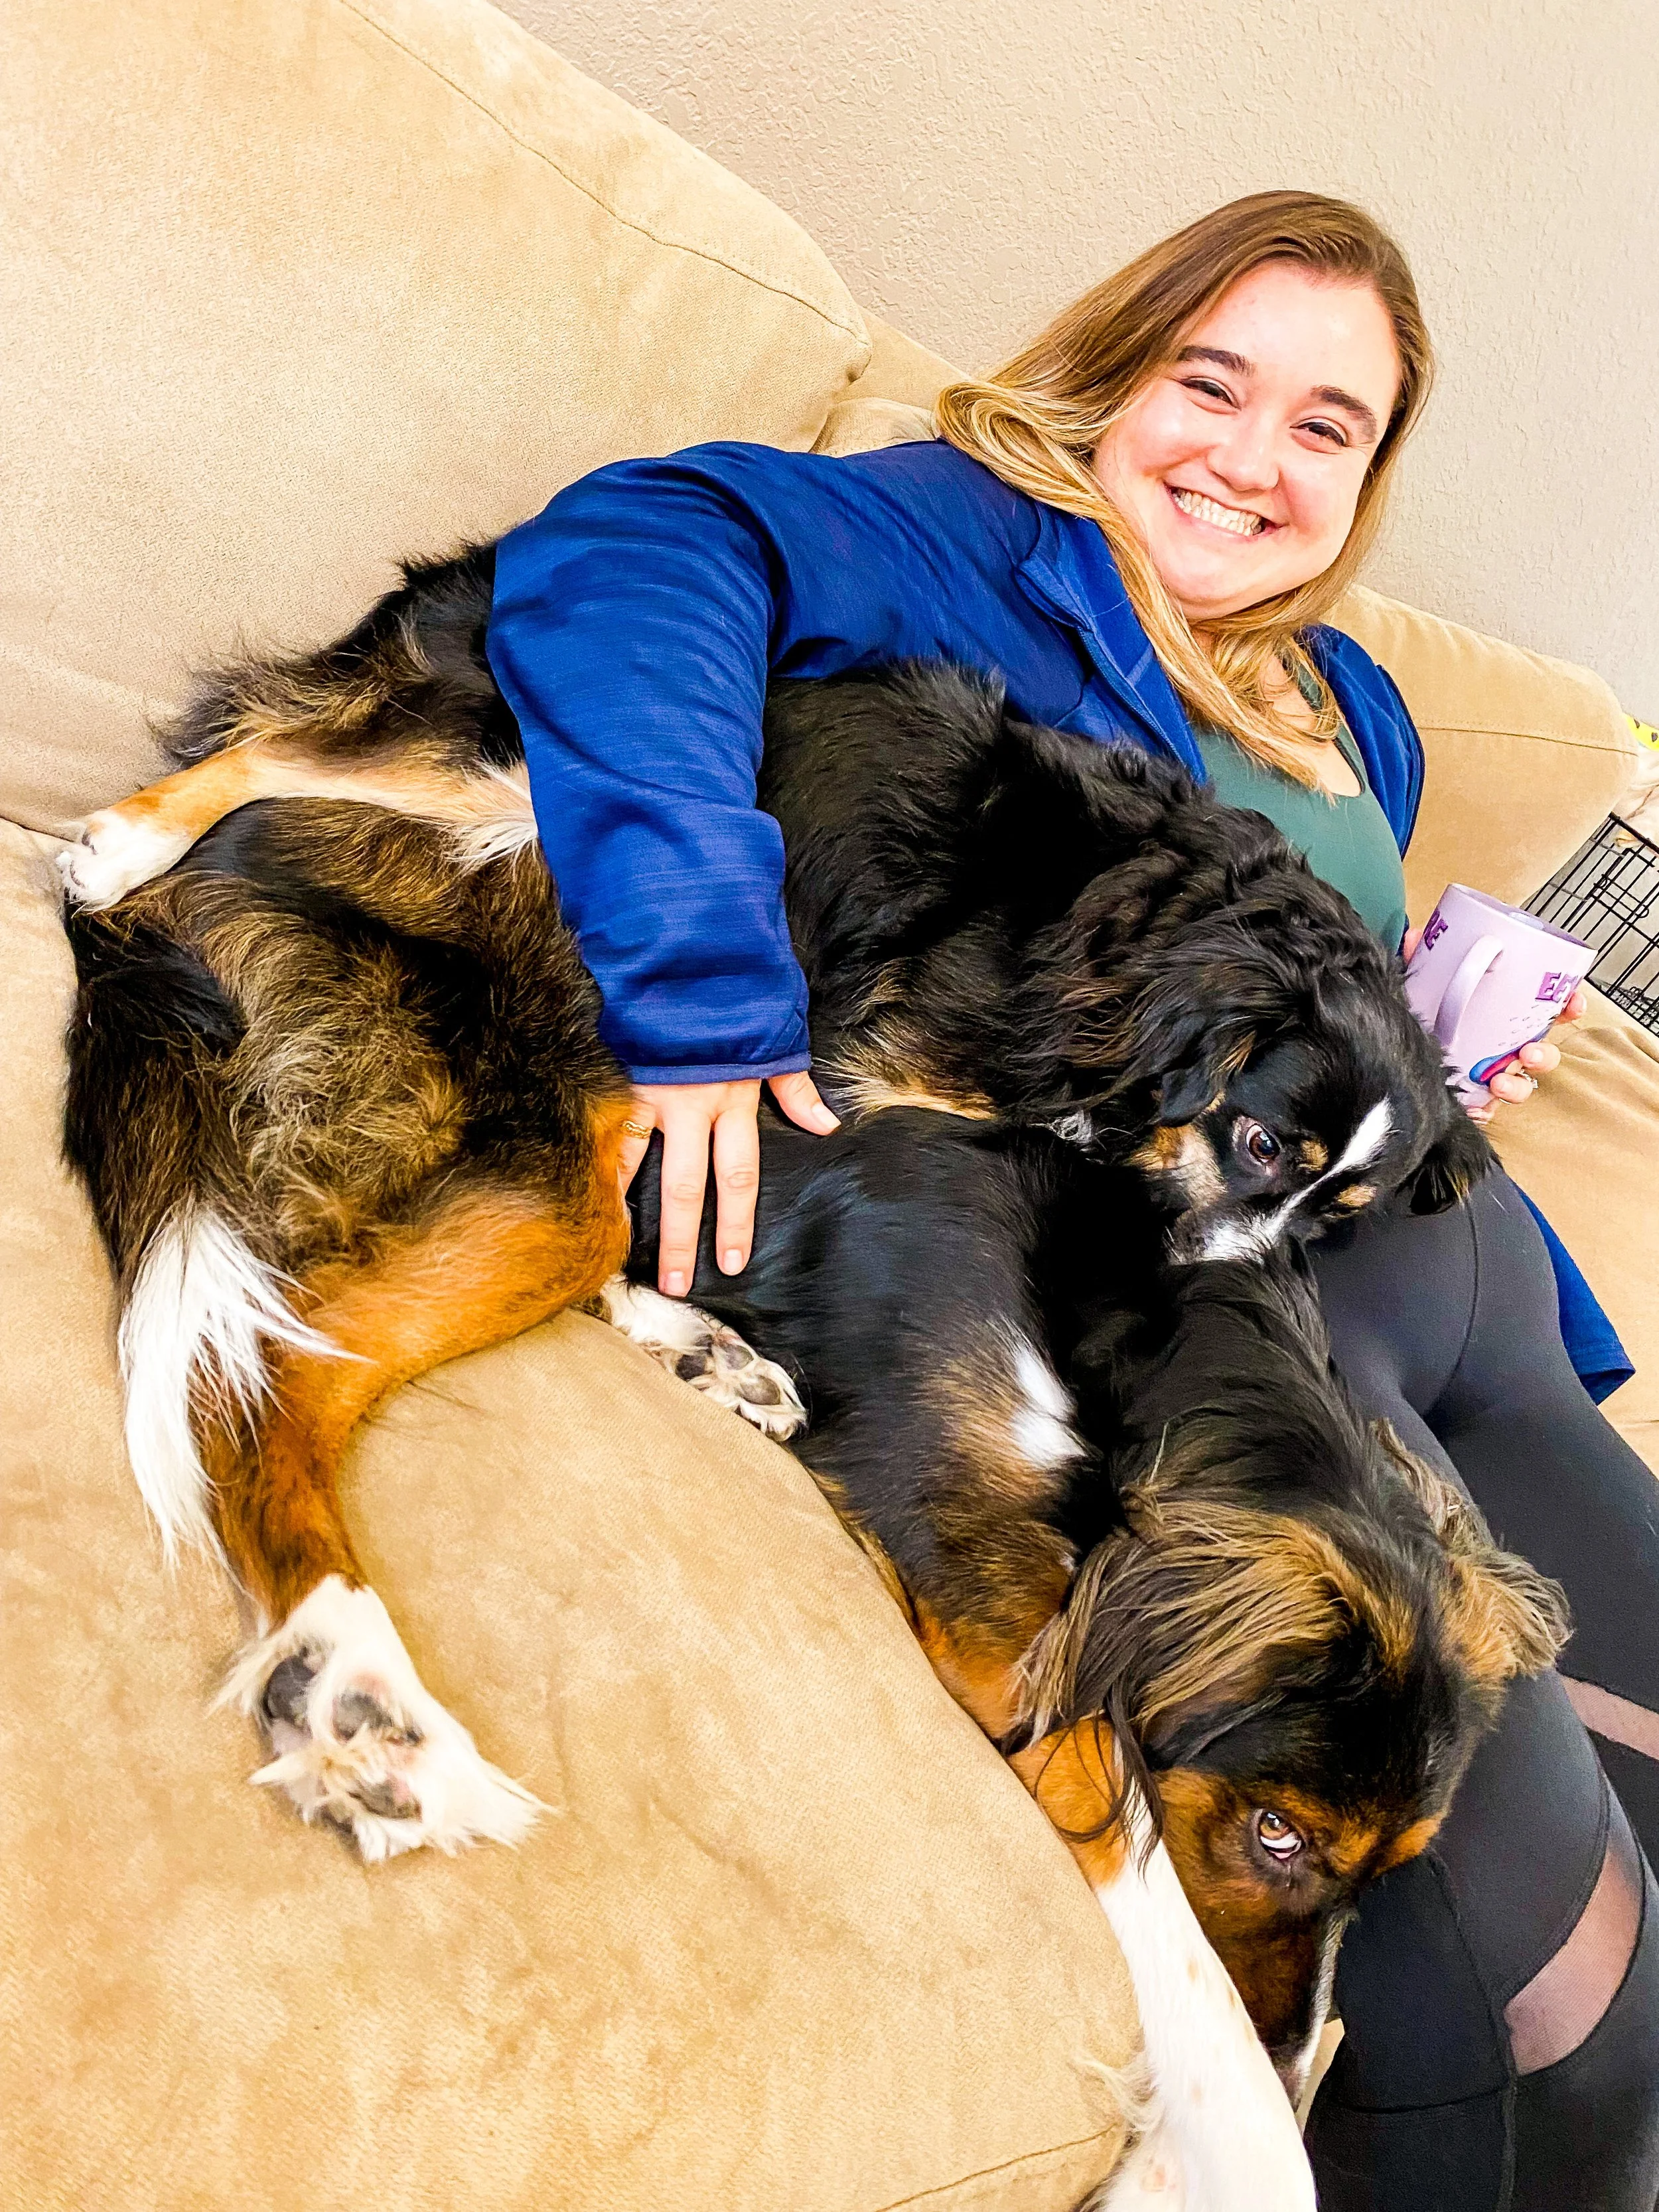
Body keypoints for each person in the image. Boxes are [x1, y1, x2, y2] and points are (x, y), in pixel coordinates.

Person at [486, 192, 1659, 2207]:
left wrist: (1429, 1061)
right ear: (1107, 377)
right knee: (1573, 2006)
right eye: (1207, 383)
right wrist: (694, 976)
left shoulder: (1343, 698)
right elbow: (628, 553)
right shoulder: (952, 527)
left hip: (1473, 1297)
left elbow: (1240, 999)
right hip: (1250, 1325)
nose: (1250, 457)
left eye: (1325, 427)